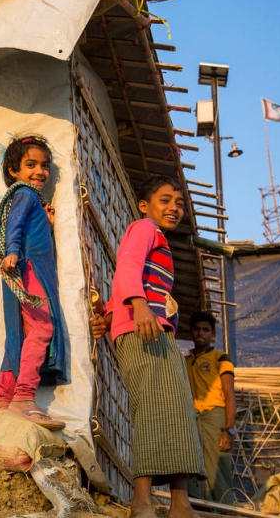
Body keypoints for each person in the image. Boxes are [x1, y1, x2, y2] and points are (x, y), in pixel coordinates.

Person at [90, 175, 205, 518]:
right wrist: (138, 306)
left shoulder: (161, 242)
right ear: (145, 206)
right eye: (165, 200)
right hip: (145, 330)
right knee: (154, 407)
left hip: (155, 330)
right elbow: (126, 267)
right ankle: (142, 501)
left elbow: (126, 287)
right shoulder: (143, 228)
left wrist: (111, 316)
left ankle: (179, 503)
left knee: (177, 409)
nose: (174, 208)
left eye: (179, 203)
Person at [0, 135, 67, 431]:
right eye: (30, 164)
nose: (40, 172)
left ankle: (2, 399)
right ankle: (23, 397)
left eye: (45, 166)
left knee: (17, 335)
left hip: (18, 270)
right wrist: (12, 251)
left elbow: (24, 223)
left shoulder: (32, 199)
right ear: (13, 171)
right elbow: (15, 224)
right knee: (42, 327)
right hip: (28, 268)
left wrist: (46, 225)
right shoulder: (26, 194)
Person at [185, 311, 236, 504]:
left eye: (205, 330)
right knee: (192, 466)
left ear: (212, 333)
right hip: (192, 418)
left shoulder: (221, 358)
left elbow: (229, 394)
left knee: (217, 467)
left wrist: (229, 430)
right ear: (191, 332)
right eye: (197, 329)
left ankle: (224, 510)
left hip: (215, 417)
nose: (201, 333)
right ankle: (198, 510)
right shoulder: (185, 361)